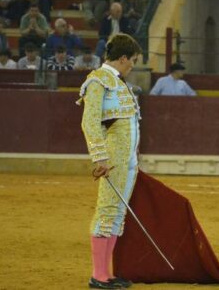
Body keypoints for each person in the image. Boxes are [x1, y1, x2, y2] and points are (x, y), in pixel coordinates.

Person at [78, 33, 142, 289]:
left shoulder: (118, 81)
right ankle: (98, 275)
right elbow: (89, 121)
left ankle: (107, 273)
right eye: (134, 60)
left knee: (117, 213)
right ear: (124, 57)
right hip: (113, 158)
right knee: (107, 211)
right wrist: (100, 157)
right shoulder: (98, 81)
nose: (134, 65)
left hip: (127, 158)